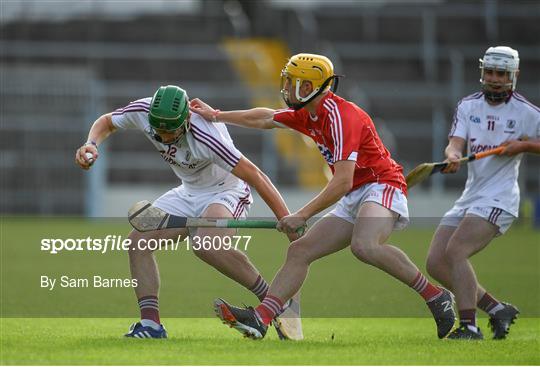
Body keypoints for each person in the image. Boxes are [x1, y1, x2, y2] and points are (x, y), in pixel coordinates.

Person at [190, 53, 456, 340]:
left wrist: (301, 215)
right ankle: (261, 318)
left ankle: (435, 295)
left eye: (292, 82)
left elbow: (341, 181)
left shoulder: (342, 116)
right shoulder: (309, 114)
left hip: (382, 185)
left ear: (309, 87)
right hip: (356, 193)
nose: (287, 87)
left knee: (365, 246)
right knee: (299, 251)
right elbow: (265, 117)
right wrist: (216, 115)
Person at [75, 85, 302, 339]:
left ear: (185, 122)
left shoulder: (206, 137)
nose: (162, 136)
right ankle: (151, 326)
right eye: (157, 130)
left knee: (206, 244)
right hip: (187, 192)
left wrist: (288, 221)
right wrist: (91, 144)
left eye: (168, 132)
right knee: (137, 242)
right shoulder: (144, 111)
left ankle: (274, 303)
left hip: (225, 190)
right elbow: (107, 122)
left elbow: (256, 176)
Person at [426, 46, 540, 340]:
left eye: (501, 73)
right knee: (437, 262)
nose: (494, 79)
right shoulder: (468, 106)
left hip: (500, 198)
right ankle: (497, 309)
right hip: (471, 196)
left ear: (513, 75)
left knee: (456, 251)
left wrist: (524, 146)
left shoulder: (527, 113)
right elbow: (455, 143)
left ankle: (469, 326)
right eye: (489, 72)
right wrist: (452, 155)